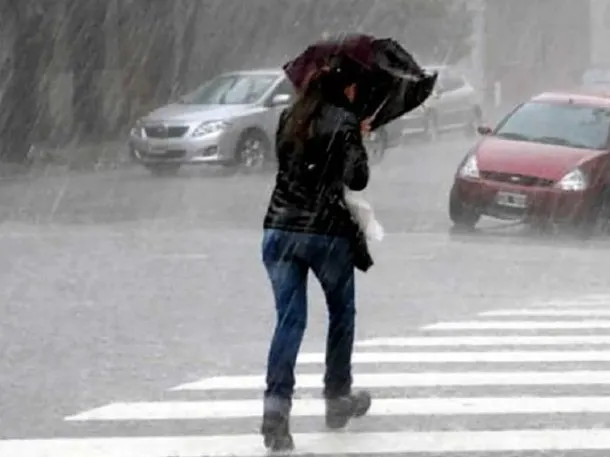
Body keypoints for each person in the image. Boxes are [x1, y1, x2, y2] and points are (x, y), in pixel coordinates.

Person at [260, 58, 373, 451]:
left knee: (289, 322)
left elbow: (291, 168)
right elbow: (357, 178)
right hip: (325, 234)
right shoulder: (344, 121)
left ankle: (275, 414)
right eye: (354, 87)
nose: (356, 93)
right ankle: (337, 397)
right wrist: (357, 138)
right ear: (344, 88)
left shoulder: (289, 118)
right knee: (341, 314)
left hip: (279, 230)